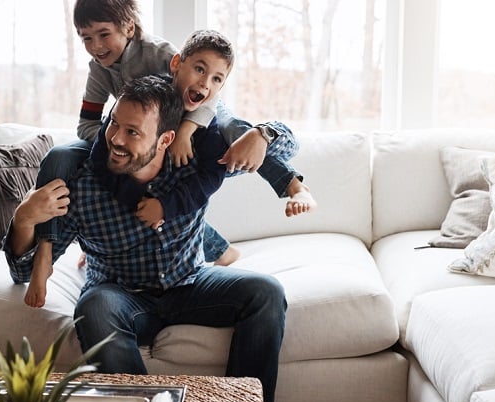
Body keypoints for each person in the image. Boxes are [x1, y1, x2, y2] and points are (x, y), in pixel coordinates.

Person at [3, 75, 287, 402]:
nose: (115, 140)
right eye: (113, 126)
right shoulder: (83, 185)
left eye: (133, 132)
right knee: (94, 305)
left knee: (266, 292)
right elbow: (22, 273)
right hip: (121, 296)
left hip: (190, 282)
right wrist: (23, 220)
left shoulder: (193, 165)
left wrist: (262, 135)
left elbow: (285, 151)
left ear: (166, 138)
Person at [23, 0, 316, 307]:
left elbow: (202, 93)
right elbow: (87, 125)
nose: (96, 45)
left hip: (199, 115)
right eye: (86, 38)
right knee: (59, 155)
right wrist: (120, 141)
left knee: (237, 132)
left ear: (129, 28)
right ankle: (47, 244)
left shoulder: (161, 56)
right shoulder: (99, 71)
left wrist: (191, 130)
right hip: (143, 140)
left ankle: (293, 185)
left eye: (103, 34)